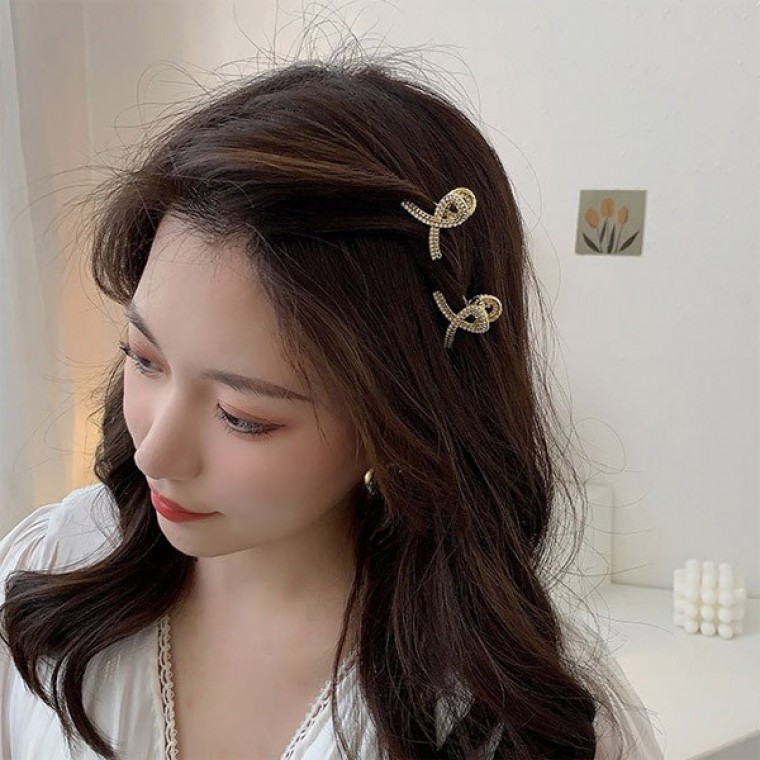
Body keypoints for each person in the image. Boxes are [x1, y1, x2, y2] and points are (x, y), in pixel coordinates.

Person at [0, 49, 664, 760]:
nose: (155, 451)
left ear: (399, 421)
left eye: (243, 416)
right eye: (143, 358)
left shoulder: (502, 717)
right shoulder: (53, 569)